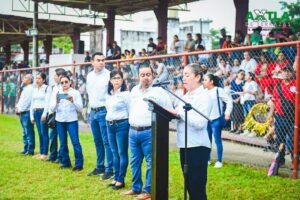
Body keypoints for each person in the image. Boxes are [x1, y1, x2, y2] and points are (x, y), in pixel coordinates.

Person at [121, 65, 172, 200]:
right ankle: (136, 187)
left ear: (153, 76)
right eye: (142, 75)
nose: (145, 77)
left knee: (150, 162)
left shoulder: (159, 92)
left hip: (149, 132)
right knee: (134, 161)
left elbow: (169, 110)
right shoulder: (133, 90)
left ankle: (148, 190)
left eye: (148, 74)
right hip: (133, 131)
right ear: (138, 77)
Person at [168, 63, 212, 200]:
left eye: (187, 75)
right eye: (183, 76)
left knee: (197, 187)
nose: (183, 78)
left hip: (197, 146)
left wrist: (180, 113)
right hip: (185, 145)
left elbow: (200, 123)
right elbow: (179, 115)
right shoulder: (185, 97)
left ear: (198, 77)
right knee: (189, 186)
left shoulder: (204, 96)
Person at [86, 52, 114, 180]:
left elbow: (112, 94)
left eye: (103, 60)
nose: (101, 62)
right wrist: (88, 112)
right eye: (98, 60)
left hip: (104, 112)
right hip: (93, 112)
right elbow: (89, 94)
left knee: (106, 141)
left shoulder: (109, 75)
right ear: (92, 62)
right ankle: (100, 166)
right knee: (97, 141)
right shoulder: (89, 76)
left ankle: (110, 169)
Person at [50, 75, 84, 170]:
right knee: (63, 142)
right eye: (62, 82)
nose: (64, 84)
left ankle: (79, 164)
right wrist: (57, 101)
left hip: (71, 120)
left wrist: (72, 100)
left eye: (66, 82)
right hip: (60, 120)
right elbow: (52, 108)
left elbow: (80, 108)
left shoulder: (75, 93)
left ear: (70, 82)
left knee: (75, 142)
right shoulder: (57, 93)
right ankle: (66, 162)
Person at [105, 70, 130, 190]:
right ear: (110, 80)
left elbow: (130, 111)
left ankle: (121, 179)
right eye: (114, 78)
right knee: (114, 153)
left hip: (122, 125)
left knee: (122, 153)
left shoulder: (126, 94)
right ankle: (115, 178)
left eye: (119, 78)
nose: (116, 80)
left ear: (122, 80)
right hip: (109, 125)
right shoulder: (109, 94)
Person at [203, 74, 233, 168]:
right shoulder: (204, 92)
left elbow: (229, 101)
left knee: (217, 140)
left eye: (206, 80)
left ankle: (219, 161)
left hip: (216, 119)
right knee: (207, 141)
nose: (203, 81)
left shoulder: (218, 90)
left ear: (211, 81)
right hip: (206, 120)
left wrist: (227, 113)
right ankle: (207, 159)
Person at [270, 65, 296, 163]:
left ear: (292, 73)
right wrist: (271, 116)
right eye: (284, 71)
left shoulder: (296, 84)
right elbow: (274, 101)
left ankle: (295, 161)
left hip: (293, 117)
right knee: (280, 140)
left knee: (294, 141)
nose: (286, 73)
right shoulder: (278, 86)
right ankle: (280, 160)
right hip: (280, 117)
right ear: (282, 73)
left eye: (289, 71)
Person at [30, 73, 52, 160]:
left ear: (43, 80)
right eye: (36, 78)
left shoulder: (47, 88)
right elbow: (32, 103)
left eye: (39, 78)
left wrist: (44, 114)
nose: (37, 80)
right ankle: (41, 152)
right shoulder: (34, 89)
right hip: (35, 112)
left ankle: (45, 153)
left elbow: (47, 102)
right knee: (39, 133)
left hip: (43, 112)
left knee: (44, 133)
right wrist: (31, 116)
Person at [47, 68, 67, 163]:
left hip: (61, 115)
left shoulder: (65, 87)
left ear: (60, 76)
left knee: (61, 137)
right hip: (53, 113)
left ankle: (60, 156)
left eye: (55, 75)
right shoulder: (54, 87)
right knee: (53, 135)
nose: (54, 77)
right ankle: (52, 155)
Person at [15, 74, 35, 155]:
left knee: (29, 132)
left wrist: (20, 109)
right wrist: (17, 108)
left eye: (26, 78)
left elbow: (27, 102)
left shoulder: (30, 89)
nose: (23, 79)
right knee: (24, 132)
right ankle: (26, 148)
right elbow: (21, 100)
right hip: (22, 112)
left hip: (26, 112)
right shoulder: (25, 88)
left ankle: (30, 150)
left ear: (30, 80)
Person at [230, 70, 245, 134]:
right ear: (237, 74)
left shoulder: (243, 82)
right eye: (241, 74)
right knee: (233, 114)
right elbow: (229, 91)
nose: (242, 75)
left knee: (239, 114)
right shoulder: (233, 82)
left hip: (239, 100)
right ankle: (234, 128)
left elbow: (244, 92)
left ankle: (240, 128)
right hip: (232, 99)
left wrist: (238, 99)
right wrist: (231, 99)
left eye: (243, 75)